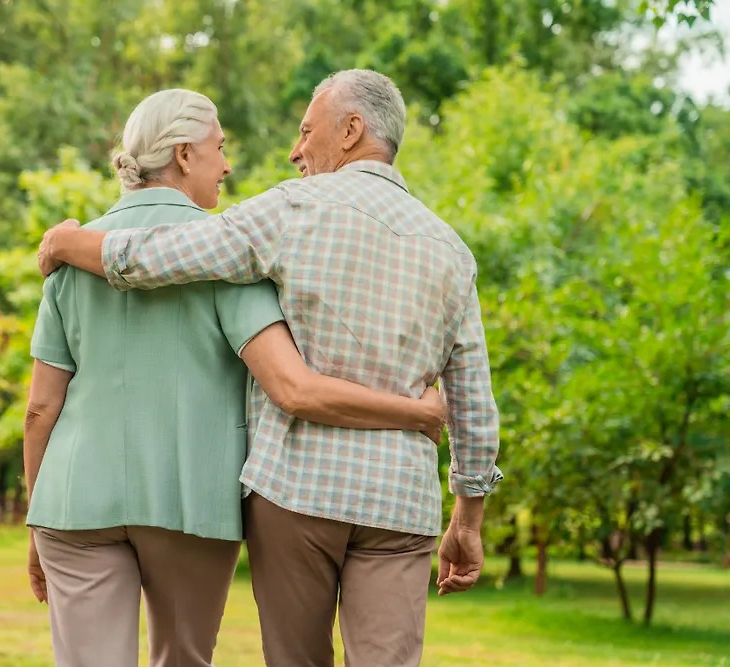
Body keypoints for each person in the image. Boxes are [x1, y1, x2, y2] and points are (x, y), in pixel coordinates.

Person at [37, 70, 504, 667]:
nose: (294, 150)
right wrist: (467, 516)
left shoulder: (290, 209)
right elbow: (474, 403)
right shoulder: (451, 250)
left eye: (307, 131)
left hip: (296, 491)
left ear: (352, 129)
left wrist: (71, 245)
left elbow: (166, 254)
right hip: (400, 500)